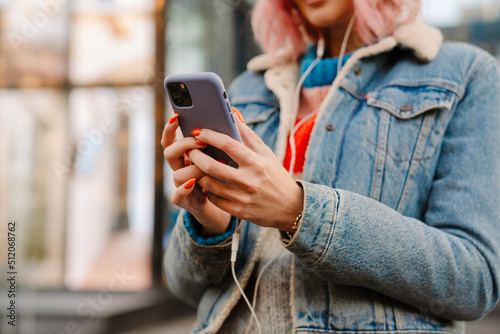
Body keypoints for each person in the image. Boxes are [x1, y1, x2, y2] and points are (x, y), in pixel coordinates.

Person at [162, 0, 500, 333]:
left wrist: (299, 211)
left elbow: (474, 282)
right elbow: (183, 288)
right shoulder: (249, 87)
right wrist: (212, 226)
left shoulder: (465, 74)